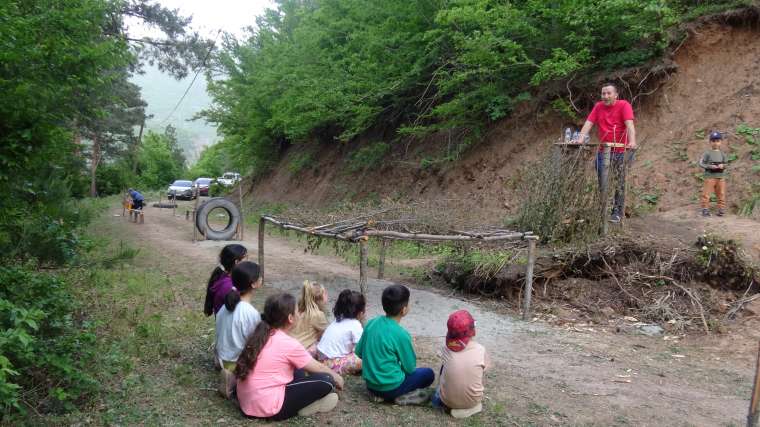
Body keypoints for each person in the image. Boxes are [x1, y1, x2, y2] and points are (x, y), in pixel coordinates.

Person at [235, 293, 344, 420]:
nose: (299, 314)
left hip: (246, 400)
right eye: (297, 311)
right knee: (327, 379)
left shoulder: (260, 334)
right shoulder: (288, 343)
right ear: (291, 318)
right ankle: (307, 407)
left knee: (297, 366)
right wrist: (337, 377)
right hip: (267, 407)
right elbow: (319, 368)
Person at [355, 284, 435, 405]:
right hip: (392, 387)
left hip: (371, 385)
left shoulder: (371, 323)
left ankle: (379, 394)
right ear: (404, 310)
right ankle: (399, 396)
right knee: (428, 374)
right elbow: (409, 368)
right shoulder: (401, 334)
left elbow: (359, 352)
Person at [578, 83, 637, 223]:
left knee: (619, 181)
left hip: (620, 150)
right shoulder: (598, 106)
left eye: (608, 93)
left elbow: (629, 125)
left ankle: (617, 211)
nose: (605, 96)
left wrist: (632, 141)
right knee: (602, 181)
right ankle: (602, 209)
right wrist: (580, 138)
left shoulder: (624, 105)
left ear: (616, 95)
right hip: (603, 150)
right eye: (603, 93)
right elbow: (589, 123)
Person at [214, 261, 262, 398]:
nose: (261, 278)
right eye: (259, 276)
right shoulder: (250, 313)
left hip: (222, 357)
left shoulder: (226, 306)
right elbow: (254, 344)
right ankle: (235, 379)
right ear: (253, 283)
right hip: (235, 362)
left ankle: (229, 373)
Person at [432, 310, 490, 419]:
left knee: (444, 366)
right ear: (473, 331)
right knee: (479, 369)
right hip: (472, 401)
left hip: (446, 400)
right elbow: (486, 368)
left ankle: (440, 398)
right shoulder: (481, 350)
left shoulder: (446, 349)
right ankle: (472, 407)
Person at [316, 289, 366, 375]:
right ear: (360, 312)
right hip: (330, 363)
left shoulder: (338, 319)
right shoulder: (355, 325)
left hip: (321, 357)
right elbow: (360, 349)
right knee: (364, 362)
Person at [204, 244, 248, 317]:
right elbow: (239, 314)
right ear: (237, 262)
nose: (248, 261)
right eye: (246, 257)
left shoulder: (223, 277)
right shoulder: (229, 286)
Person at [289, 280, 328, 356]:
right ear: (320, 297)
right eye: (325, 293)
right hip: (301, 353)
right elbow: (324, 337)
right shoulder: (317, 315)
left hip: (290, 348)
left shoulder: (297, 309)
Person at [698, 131, 728, 217]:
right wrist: (710, 167)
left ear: (721, 142)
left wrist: (723, 165)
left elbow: (726, 164)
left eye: (717, 141)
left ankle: (721, 209)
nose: (715, 143)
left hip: (720, 177)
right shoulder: (707, 153)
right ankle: (705, 209)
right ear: (710, 142)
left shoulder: (722, 154)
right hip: (710, 177)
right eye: (713, 141)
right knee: (706, 194)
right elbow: (701, 163)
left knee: (721, 193)